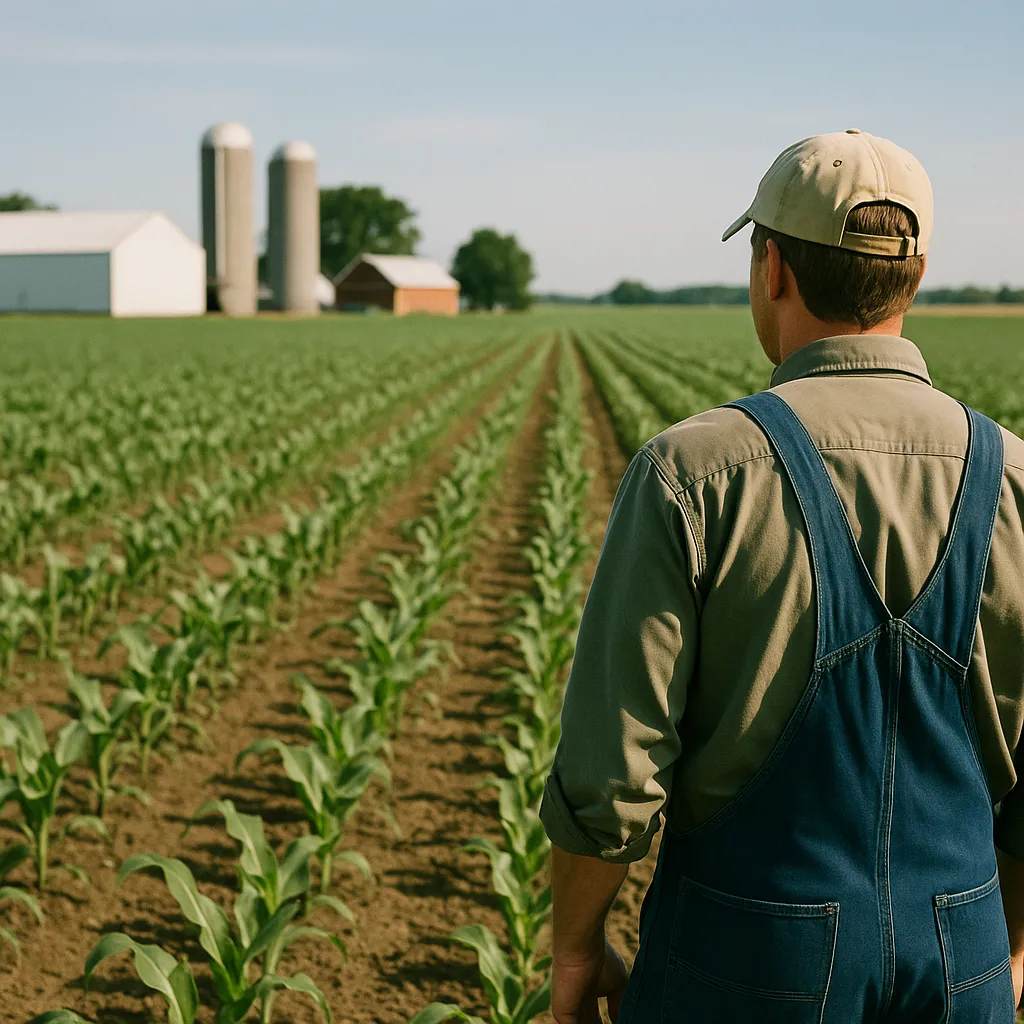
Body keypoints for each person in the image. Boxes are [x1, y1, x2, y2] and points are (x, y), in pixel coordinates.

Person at [540, 129, 1024, 1023]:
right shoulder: (1018, 480)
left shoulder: (696, 471)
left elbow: (614, 772)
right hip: (964, 956)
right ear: (913, 278)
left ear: (772, 269)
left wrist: (576, 947)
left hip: (745, 960)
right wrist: (1011, 947)